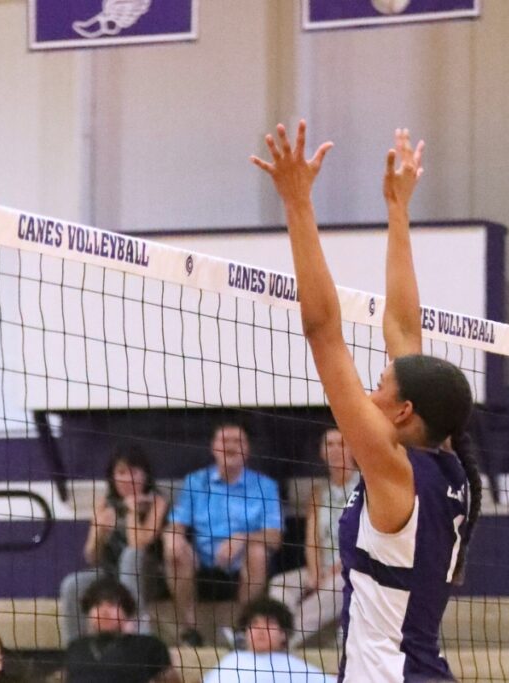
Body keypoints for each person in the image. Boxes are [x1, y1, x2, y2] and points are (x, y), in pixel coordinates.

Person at [251, 124, 482, 681]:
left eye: (381, 388)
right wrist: (397, 208)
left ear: (404, 413)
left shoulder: (390, 467)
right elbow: (403, 326)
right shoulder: (447, 464)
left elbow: (323, 329)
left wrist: (297, 203)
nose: (371, 394)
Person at [163, 424, 282, 646]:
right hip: (202, 557)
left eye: (237, 441)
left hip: (245, 557)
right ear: (213, 448)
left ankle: (243, 630)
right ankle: (191, 630)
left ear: (247, 450)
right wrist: (174, 537)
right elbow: (176, 524)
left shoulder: (265, 486)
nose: (230, 446)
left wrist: (242, 538)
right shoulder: (195, 482)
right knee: (172, 547)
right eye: (224, 441)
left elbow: (275, 537)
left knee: (258, 553)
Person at [59, 444, 168, 645]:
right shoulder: (104, 503)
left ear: (145, 475)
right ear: (112, 477)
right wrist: (99, 532)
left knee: (130, 557)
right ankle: (76, 649)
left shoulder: (156, 502)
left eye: (134, 472)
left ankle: (136, 639)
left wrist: (132, 511)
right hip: (111, 572)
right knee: (72, 584)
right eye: (121, 472)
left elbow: (139, 544)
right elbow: (91, 556)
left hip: (150, 575)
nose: (128, 478)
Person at [268, 428, 358, 647]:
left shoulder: (367, 487)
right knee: (279, 584)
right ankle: (275, 631)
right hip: (324, 566)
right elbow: (312, 539)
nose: (336, 450)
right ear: (322, 452)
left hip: (356, 567)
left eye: (342, 444)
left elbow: (369, 539)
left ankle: (282, 641)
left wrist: (340, 565)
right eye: (330, 445)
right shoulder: (319, 492)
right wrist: (316, 570)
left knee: (338, 584)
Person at [64, 577, 181, 683]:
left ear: (126, 611)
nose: (104, 612)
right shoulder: (75, 647)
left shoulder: (149, 645)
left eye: (112, 604)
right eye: (97, 605)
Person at [202, 598, 336, 683]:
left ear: (283, 634)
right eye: (254, 624)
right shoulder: (231, 660)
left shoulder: (293, 667)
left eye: (269, 623)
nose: (260, 630)